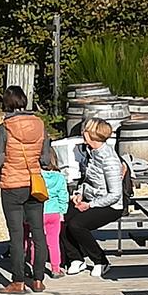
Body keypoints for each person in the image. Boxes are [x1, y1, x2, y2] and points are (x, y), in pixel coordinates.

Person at [0, 86, 51, 294]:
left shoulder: (5, 127)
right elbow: (45, 159)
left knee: (16, 235)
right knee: (38, 233)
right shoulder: (40, 124)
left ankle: (18, 281)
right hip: (34, 183)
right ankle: (38, 279)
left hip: (12, 184)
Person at [61, 117, 124, 278]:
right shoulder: (91, 152)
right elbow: (88, 179)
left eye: (86, 130)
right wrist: (79, 193)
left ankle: (100, 260)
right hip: (90, 198)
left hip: (110, 205)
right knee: (62, 216)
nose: (83, 133)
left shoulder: (109, 158)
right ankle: (76, 258)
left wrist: (90, 205)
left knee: (77, 224)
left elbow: (115, 194)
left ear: (92, 134)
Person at [25, 152, 69, 278]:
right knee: (53, 242)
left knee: (36, 242)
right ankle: (56, 269)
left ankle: (35, 267)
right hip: (54, 213)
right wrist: (62, 211)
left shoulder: (35, 177)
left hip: (38, 212)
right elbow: (63, 196)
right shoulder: (59, 177)